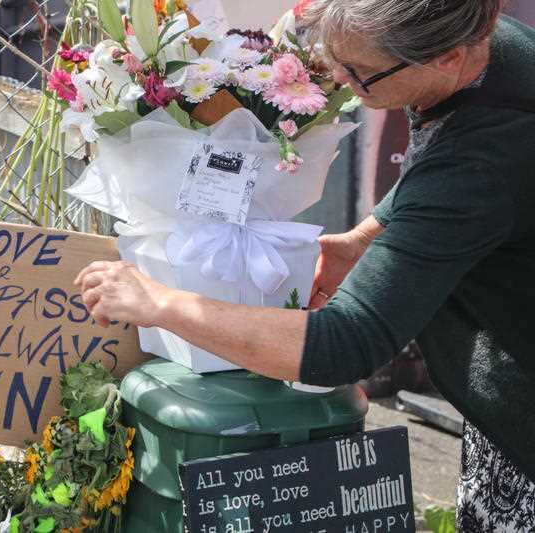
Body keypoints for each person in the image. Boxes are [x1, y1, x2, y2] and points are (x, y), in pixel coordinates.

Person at [74, 0, 535, 529]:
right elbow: (443, 166)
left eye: (358, 73)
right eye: (334, 56)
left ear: (448, 59)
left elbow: (345, 345)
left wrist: (160, 302)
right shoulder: (485, 43)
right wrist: (363, 240)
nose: (338, 77)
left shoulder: (484, 156)